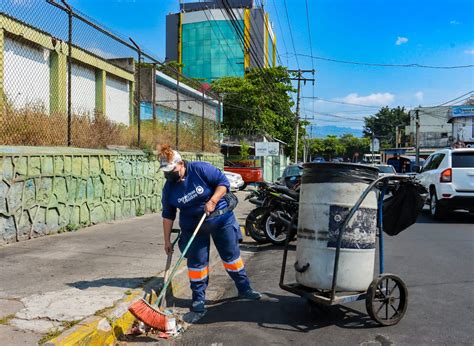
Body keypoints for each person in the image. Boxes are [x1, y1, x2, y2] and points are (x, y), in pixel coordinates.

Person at [159, 145, 261, 313]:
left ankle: (245, 288)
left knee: (231, 257)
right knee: (196, 264)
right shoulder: (169, 189)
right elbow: (167, 215)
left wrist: (213, 200)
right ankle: (198, 298)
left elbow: (223, 183)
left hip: (221, 220)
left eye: (171, 170)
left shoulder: (200, 169)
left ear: (181, 164)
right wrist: (166, 240)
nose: (169, 174)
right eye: (165, 171)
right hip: (193, 227)